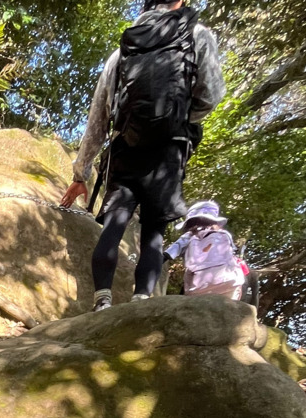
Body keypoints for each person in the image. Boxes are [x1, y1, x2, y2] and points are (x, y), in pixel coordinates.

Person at [61, 0, 226, 312]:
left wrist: (80, 174)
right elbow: (211, 96)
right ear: (180, 3)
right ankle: (141, 303)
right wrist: (178, 120)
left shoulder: (125, 49)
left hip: (127, 149)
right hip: (169, 153)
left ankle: (102, 302)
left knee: (113, 227)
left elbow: (100, 115)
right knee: (154, 233)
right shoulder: (198, 36)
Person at [164, 200, 245, 300]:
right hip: (228, 281)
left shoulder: (189, 236)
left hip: (199, 286)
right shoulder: (224, 234)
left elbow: (169, 253)